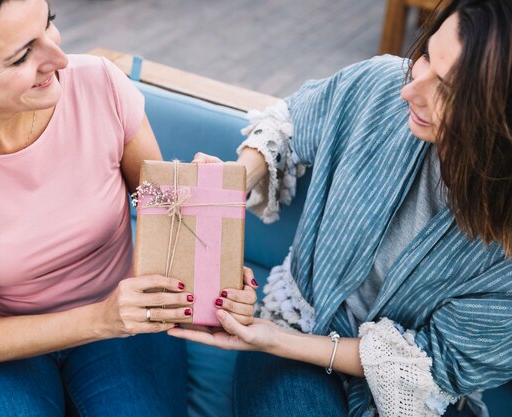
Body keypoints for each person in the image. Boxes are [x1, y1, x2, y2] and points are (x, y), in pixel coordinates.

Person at [0, 0, 258, 416]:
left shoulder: (99, 85)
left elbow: (157, 207)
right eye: (22, 55)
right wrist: (101, 319)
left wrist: (202, 221)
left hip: (126, 318)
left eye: (50, 24)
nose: (59, 59)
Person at [170, 0, 512, 416]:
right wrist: (233, 180)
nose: (410, 88)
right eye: (424, 56)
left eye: (447, 88)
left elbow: (438, 364)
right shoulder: (378, 86)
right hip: (294, 332)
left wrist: (271, 339)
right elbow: (290, 121)